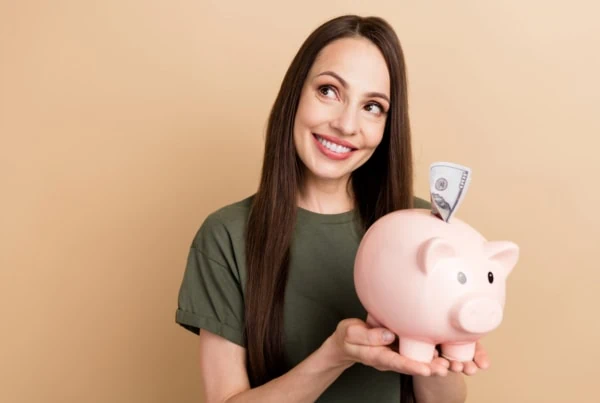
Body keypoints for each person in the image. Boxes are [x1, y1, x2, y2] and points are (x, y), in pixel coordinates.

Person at [175, 14, 489, 403]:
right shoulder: (227, 234)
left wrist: (449, 348)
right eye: (328, 91)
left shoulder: (423, 228)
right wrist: (334, 355)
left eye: (372, 106)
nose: (345, 124)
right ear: (295, 95)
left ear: (388, 126)